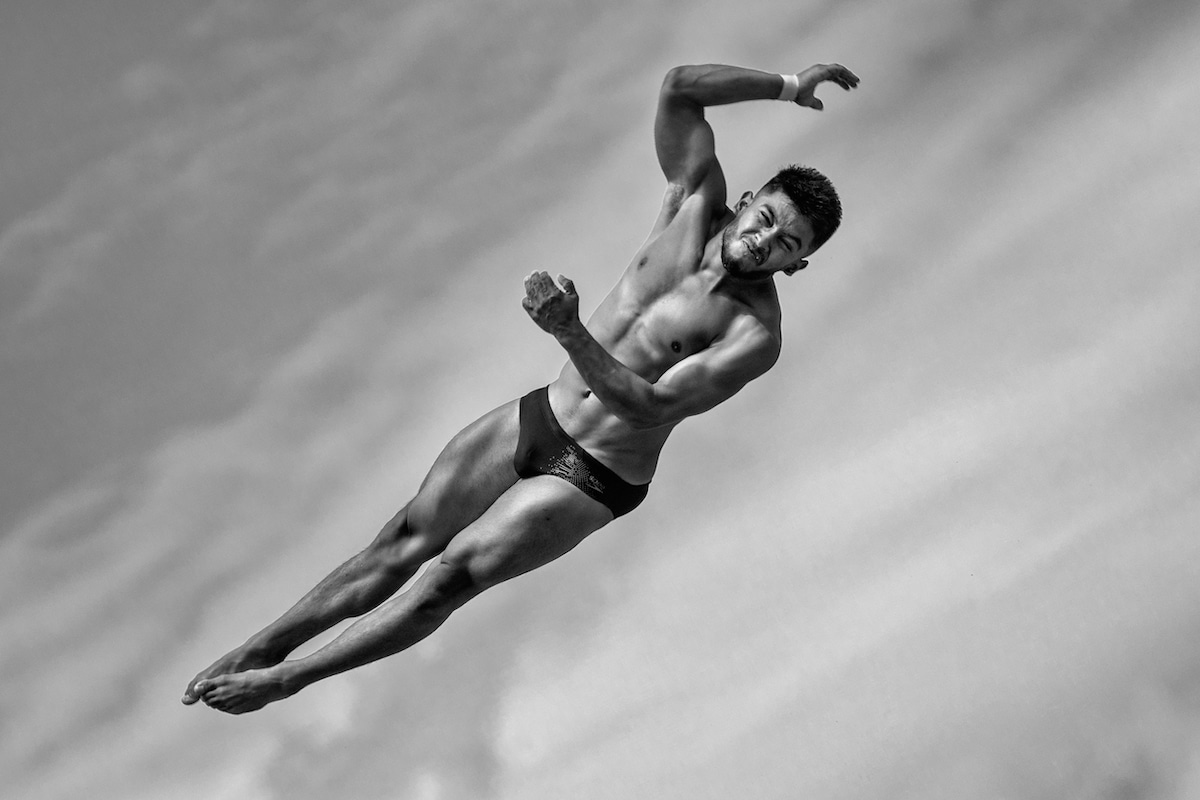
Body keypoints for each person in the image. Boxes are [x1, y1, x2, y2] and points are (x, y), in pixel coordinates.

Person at [183, 61, 860, 714]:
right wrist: (788, 86)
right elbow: (681, 88)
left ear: (797, 265)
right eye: (767, 218)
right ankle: (253, 651)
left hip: (593, 475)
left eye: (787, 243)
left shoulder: (753, 335)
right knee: (403, 539)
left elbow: (650, 403)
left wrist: (569, 332)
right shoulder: (693, 198)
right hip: (542, 415)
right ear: (748, 202)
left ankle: (287, 679)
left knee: (448, 577)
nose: (766, 240)